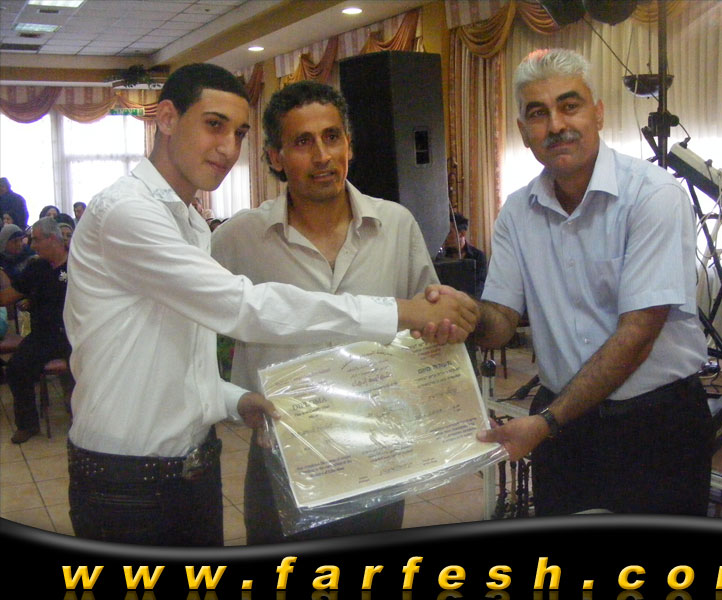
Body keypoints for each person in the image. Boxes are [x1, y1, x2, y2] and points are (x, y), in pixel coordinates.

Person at [64, 63, 478, 546]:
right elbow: (244, 307)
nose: (227, 148)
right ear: (168, 118)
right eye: (214, 125)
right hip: (128, 480)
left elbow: (179, 352)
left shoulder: (191, 225)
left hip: (200, 469)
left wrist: (232, 399)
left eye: (238, 133)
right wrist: (400, 311)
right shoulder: (129, 213)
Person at [448, 48, 712, 516]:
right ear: (523, 131)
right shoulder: (516, 212)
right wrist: (461, 312)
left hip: (655, 424)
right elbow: (501, 321)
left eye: (569, 106)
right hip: (564, 428)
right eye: (538, 113)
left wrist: (547, 421)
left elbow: (638, 335)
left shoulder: (653, 195)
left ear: (599, 113)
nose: (556, 125)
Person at [211, 80, 443, 544]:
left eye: (332, 137)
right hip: (280, 457)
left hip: (376, 454)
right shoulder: (239, 239)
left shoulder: (396, 225)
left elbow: (429, 328)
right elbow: (187, 332)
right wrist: (229, 397)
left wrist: (449, 323)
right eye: (303, 142)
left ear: (349, 146)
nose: (322, 156)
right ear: (275, 157)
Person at [0, 217, 71, 444]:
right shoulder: (36, 267)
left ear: (52, 239)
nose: (32, 245)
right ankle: (28, 425)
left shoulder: (78, 264)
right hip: (43, 336)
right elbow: (9, 296)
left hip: (74, 335)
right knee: (16, 368)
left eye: (37, 240)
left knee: (89, 366)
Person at [437, 212, 487, 298]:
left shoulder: (478, 256)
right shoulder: (441, 257)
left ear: (462, 233)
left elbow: (480, 286)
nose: (444, 237)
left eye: (449, 232)